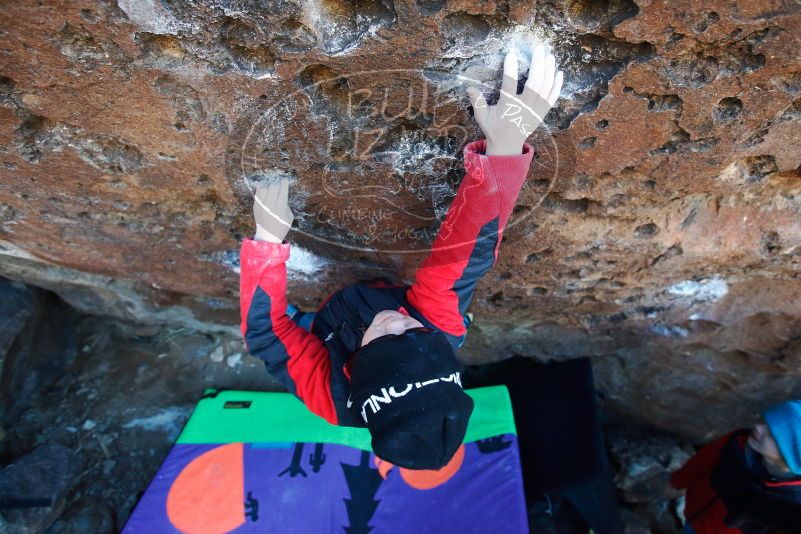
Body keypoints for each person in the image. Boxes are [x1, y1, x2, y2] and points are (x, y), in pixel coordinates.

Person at [239, 41, 564, 471]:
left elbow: (265, 335)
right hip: (373, 303)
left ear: (358, 373)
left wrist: (268, 245)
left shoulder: (330, 398)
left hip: (327, 333)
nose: (398, 322)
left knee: (290, 337)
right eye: (415, 333)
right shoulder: (437, 330)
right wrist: (504, 153)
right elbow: (465, 257)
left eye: (387, 342)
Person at [670, 400, 801, 533]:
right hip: (695, 512)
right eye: (765, 421)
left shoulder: (792, 503)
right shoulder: (738, 442)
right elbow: (701, 462)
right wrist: (677, 481)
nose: (758, 426)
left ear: (791, 458)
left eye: (772, 434)